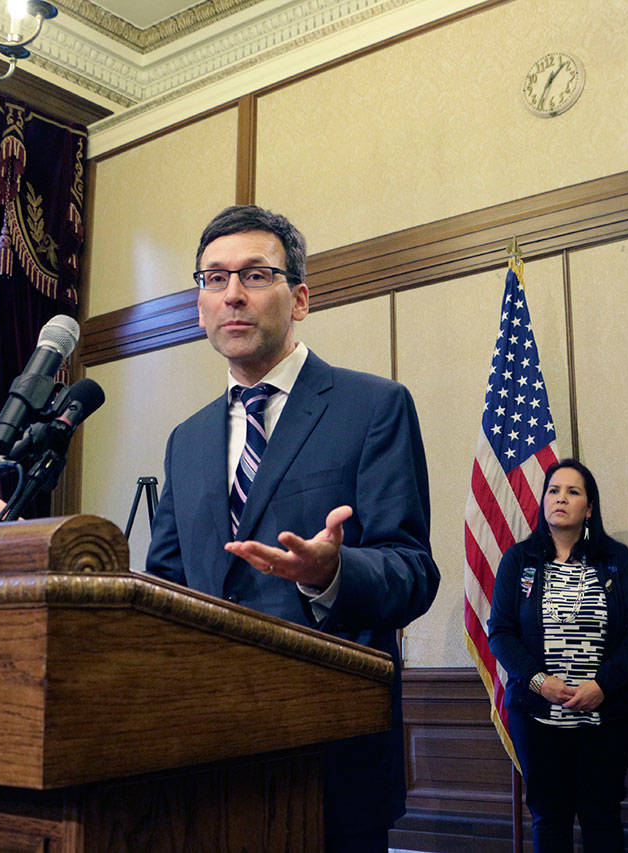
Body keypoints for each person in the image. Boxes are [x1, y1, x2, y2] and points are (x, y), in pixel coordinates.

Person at [145, 204, 440, 852]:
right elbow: (165, 585)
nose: (232, 294)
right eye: (214, 279)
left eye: (255, 274)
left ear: (299, 297)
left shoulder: (374, 407)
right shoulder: (186, 439)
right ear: (199, 304)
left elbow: (413, 571)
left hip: (330, 762)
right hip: (207, 765)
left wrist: (331, 571)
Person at [487, 459, 628, 852]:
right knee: (549, 819)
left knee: (602, 817)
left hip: (606, 717)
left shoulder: (616, 559)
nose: (560, 498)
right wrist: (539, 682)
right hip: (538, 718)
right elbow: (501, 634)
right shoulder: (519, 560)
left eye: (573, 492)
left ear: (590, 507)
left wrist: (602, 685)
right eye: (553, 490)